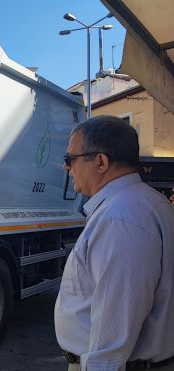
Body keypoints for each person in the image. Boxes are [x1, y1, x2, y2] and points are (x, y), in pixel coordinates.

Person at [54, 115, 174, 371]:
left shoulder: (121, 218)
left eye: (70, 159)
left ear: (100, 161)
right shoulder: (141, 204)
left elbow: (112, 339)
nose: (66, 167)